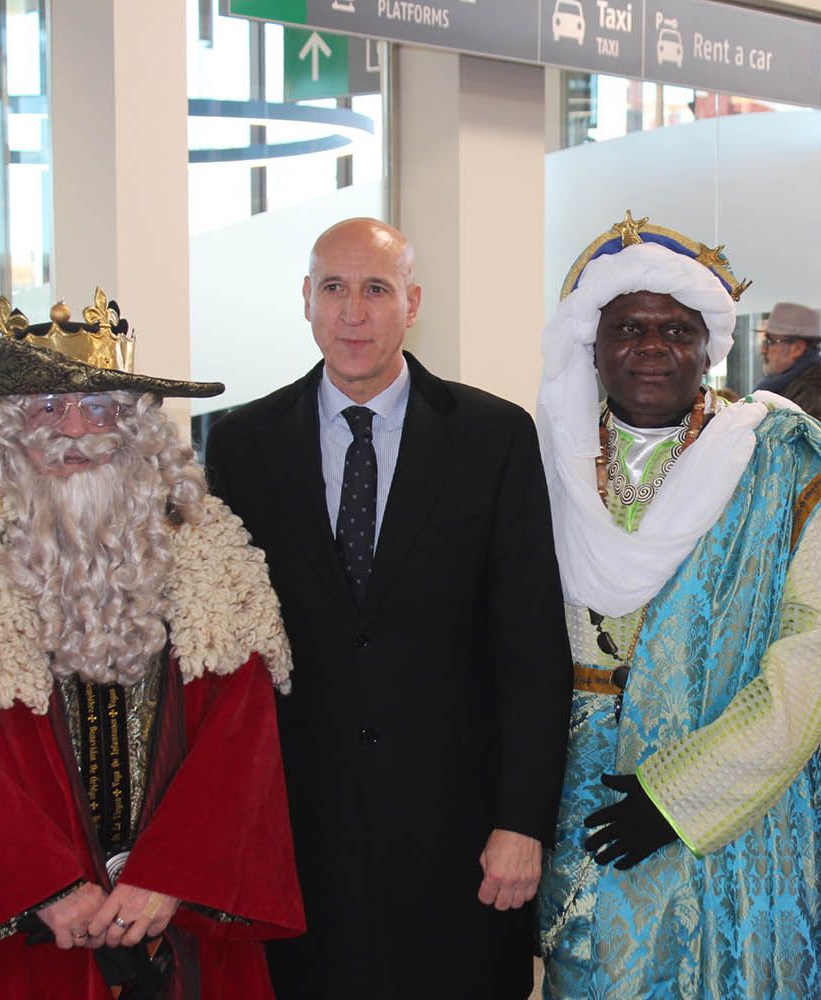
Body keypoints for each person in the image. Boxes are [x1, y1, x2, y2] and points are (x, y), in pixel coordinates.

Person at [203, 218, 573, 999]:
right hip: (300, 839)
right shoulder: (241, 445)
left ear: (413, 301)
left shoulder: (494, 437)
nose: (353, 312)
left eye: (376, 289)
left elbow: (532, 648)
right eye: (333, 288)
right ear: (306, 300)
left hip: (461, 842)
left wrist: (523, 822)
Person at [0, 289, 304, 996]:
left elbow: (240, 736)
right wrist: (43, 886)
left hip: (171, 921)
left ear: (133, 426)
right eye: (46, 408)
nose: (75, 431)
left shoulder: (204, 540)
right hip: (20, 933)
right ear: (1, 427)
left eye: (100, 409)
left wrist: (168, 879)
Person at [533, 213, 821, 997]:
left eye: (677, 329)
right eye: (630, 327)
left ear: (709, 345)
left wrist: (685, 794)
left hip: (732, 820)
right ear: (595, 344)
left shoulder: (778, 456)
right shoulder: (542, 459)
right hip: (579, 816)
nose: (652, 347)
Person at [754, 300, 821, 437]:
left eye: (771, 341)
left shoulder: (814, 396)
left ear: (797, 348)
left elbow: (800, 454)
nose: (763, 350)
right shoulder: (791, 386)